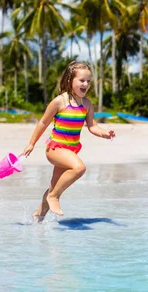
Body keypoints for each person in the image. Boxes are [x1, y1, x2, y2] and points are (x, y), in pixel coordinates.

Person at [23, 61, 115, 219]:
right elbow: (43, 122)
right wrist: (31, 143)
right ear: (69, 81)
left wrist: (104, 133)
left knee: (54, 185)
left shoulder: (86, 104)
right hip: (55, 149)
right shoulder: (60, 101)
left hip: (70, 150)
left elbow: (92, 126)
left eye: (88, 81)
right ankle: (54, 197)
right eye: (81, 80)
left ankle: (38, 217)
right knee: (79, 168)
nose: (86, 84)